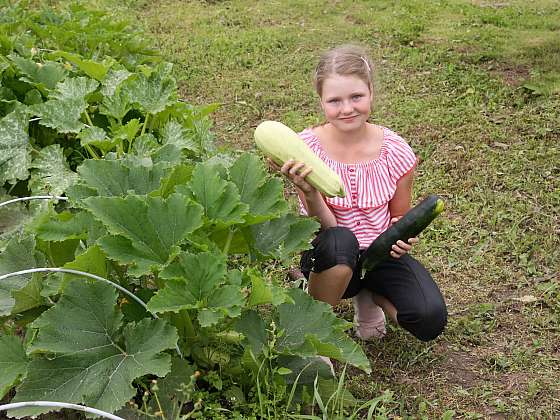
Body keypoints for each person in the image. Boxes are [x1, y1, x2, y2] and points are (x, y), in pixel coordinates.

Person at [275, 44, 447, 342]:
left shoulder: (395, 150)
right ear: (321, 102)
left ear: (371, 93)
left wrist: (402, 237)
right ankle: (314, 331)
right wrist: (311, 192)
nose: (347, 108)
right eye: (334, 100)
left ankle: (369, 294)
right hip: (330, 250)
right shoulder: (304, 150)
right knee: (341, 240)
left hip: (379, 255)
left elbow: (399, 216)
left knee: (429, 319)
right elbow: (324, 227)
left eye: (356, 96)